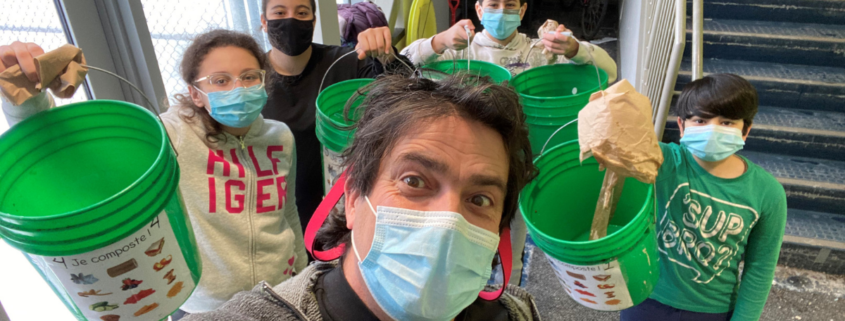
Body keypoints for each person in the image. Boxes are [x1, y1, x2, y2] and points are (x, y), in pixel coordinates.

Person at [182, 73, 541, 321]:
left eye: (480, 200)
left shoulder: (517, 313)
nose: (448, 220)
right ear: (353, 197)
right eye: (414, 180)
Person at [0, 30, 308, 317]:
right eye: (220, 80)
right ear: (196, 93)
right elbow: (74, 155)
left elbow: (288, 210)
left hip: (278, 292)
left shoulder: (280, 136)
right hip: (207, 307)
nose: (238, 88)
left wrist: (300, 266)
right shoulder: (172, 135)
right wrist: (28, 102)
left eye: (249, 77)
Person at [620, 74, 787, 321]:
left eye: (728, 122)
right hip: (646, 297)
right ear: (681, 125)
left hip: (713, 311)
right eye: (700, 120)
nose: (712, 130)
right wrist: (577, 53)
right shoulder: (660, 162)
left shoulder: (768, 192)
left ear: (746, 129)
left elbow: (759, 269)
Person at [260, 0, 412, 236]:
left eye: (301, 13)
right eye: (279, 12)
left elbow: (406, 94)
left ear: (313, 21)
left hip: (342, 206)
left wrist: (386, 56)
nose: (290, 20)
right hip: (278, 214)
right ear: (264, 21)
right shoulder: (251, 80)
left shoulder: (346, 62)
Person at [401, 0, 617, 81]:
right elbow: (401, 66)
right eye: (493, 5)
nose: (502, 11)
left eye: (510, 5)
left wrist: (573, 49)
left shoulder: (541, 52)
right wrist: (439, 41)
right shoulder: (460, 51)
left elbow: (609, 73)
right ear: (479, 10)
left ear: (522, 11)